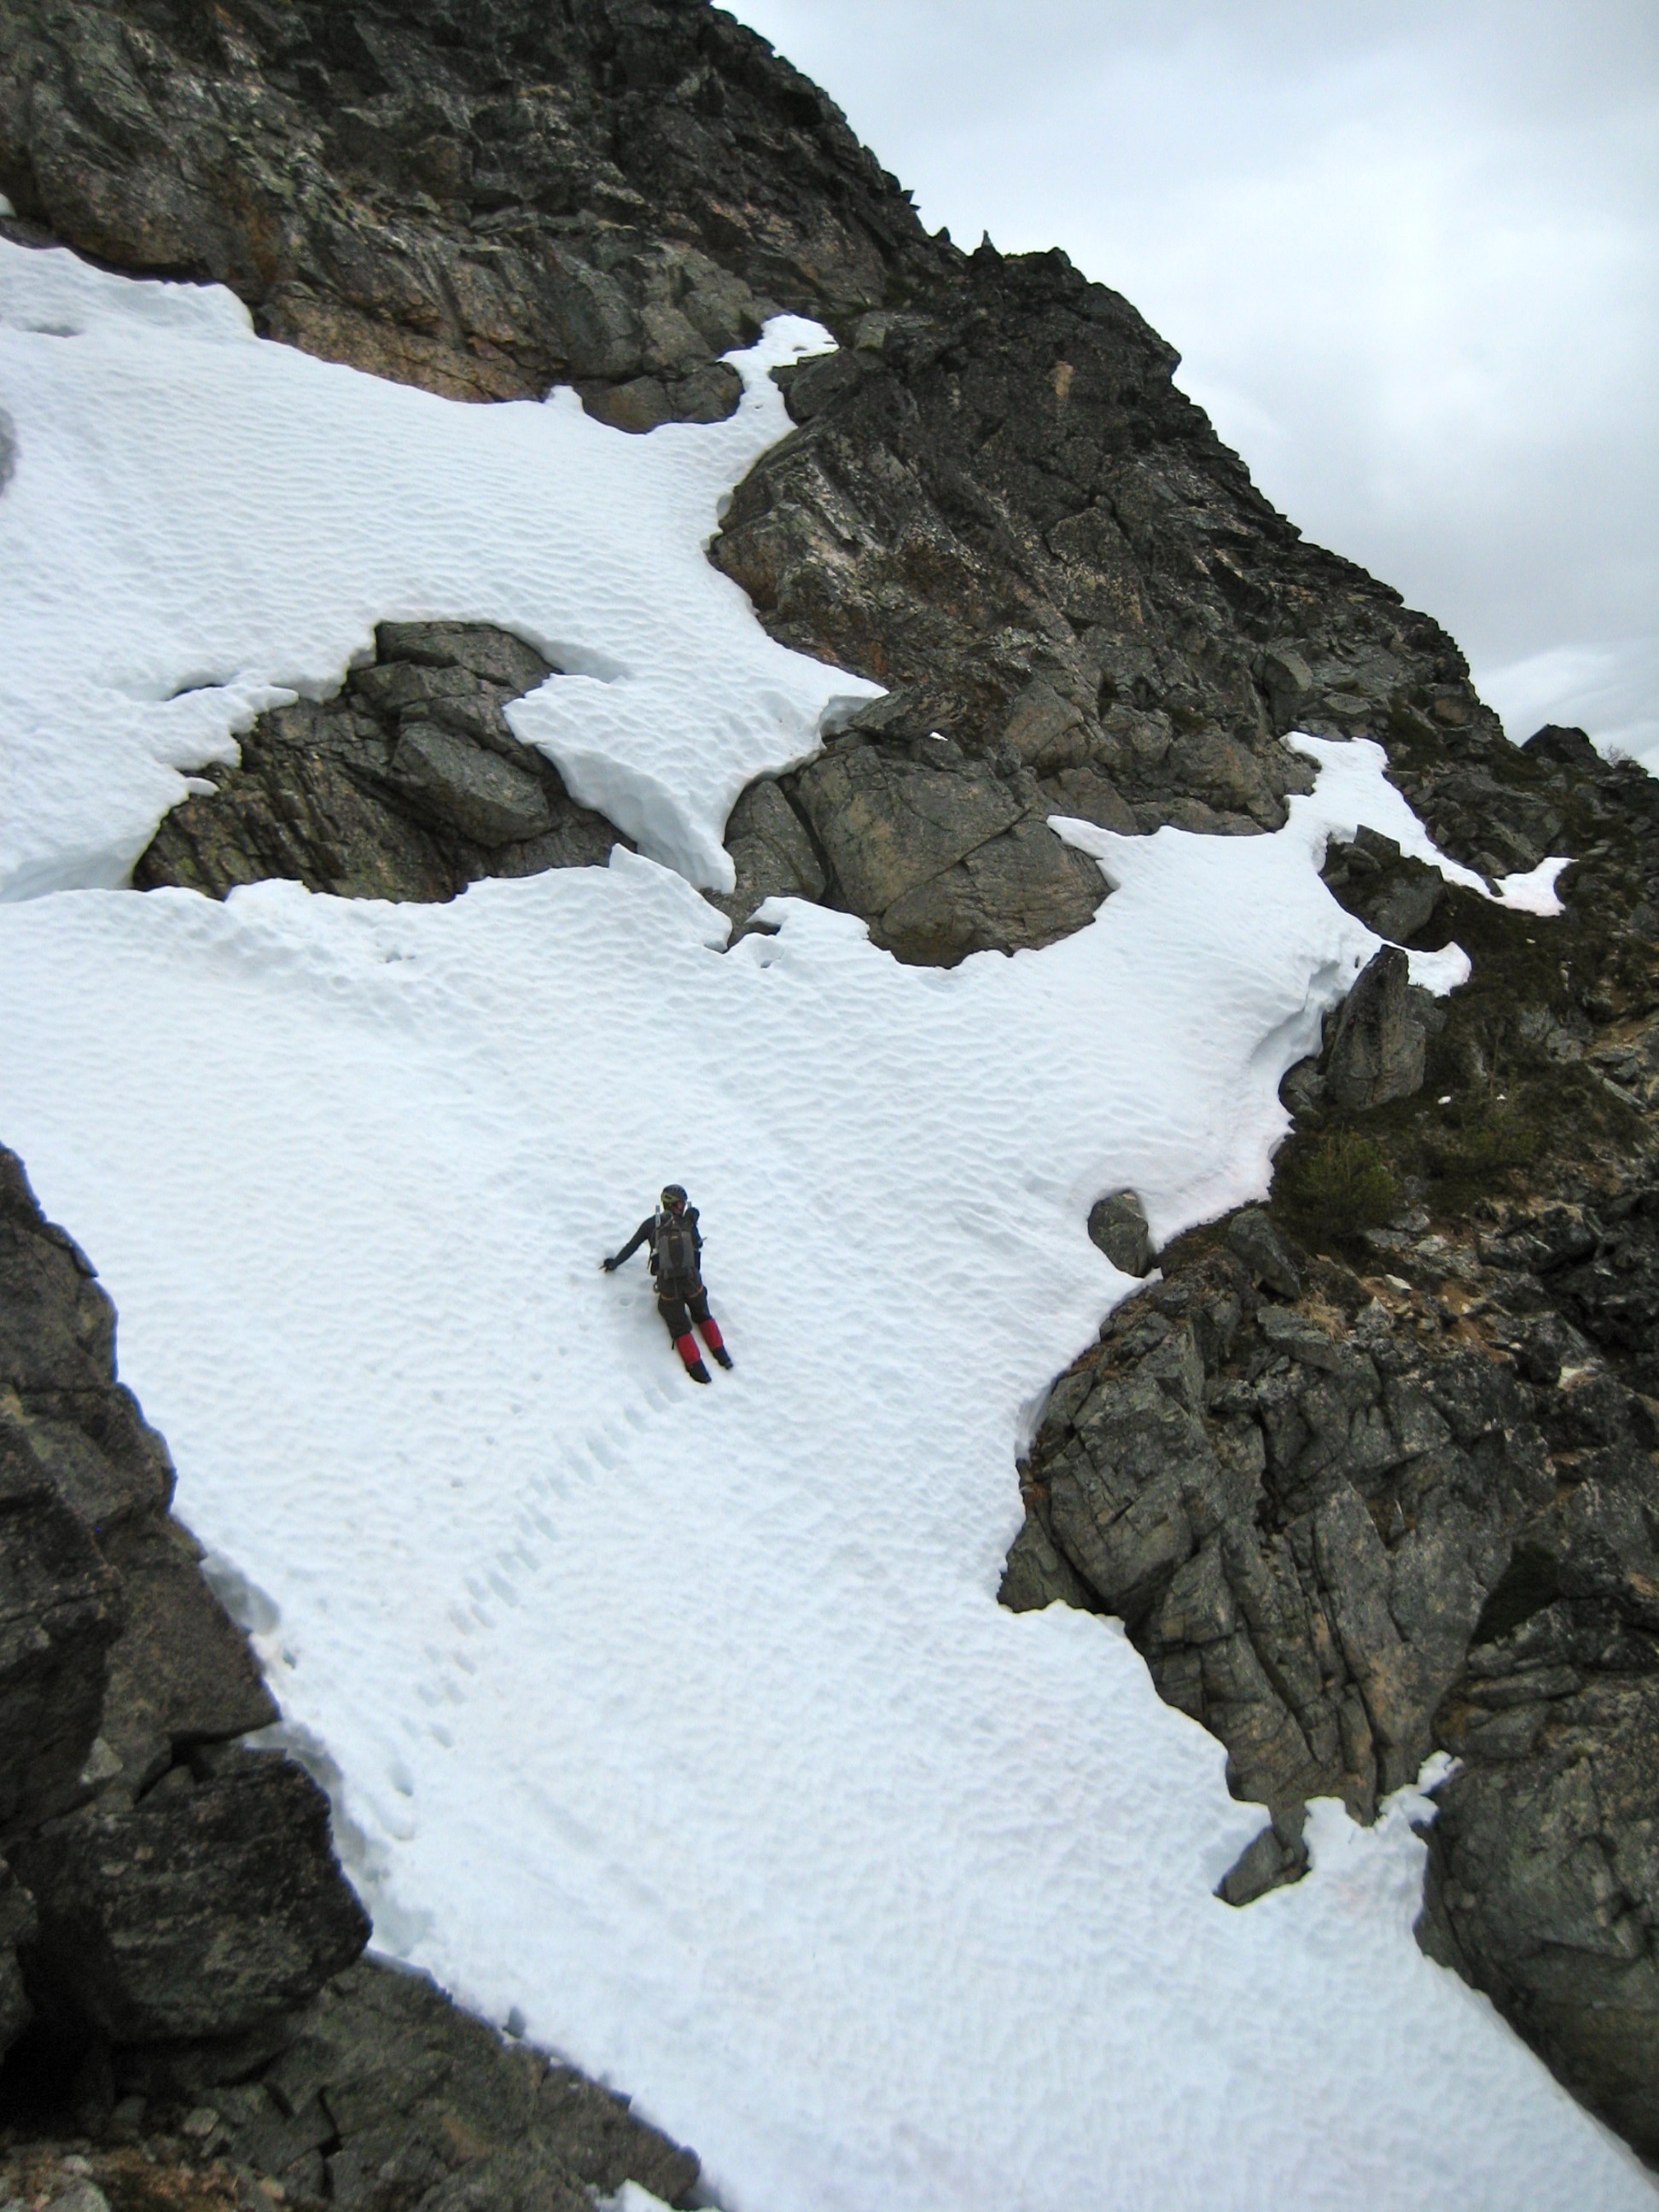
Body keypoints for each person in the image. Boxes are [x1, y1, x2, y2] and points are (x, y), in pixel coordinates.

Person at [602, 1185, 733, 1384]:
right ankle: (722, 1355)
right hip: (693, 1284)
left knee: (679, 1326)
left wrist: (614, 1263)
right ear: (676, 1204)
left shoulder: (650, 1224)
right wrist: (693, 1225)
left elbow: (631, 1247)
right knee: (703, 1315)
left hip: (669, 1288)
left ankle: (699, 1371)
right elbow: (697, 1247)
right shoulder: (686, 1222)